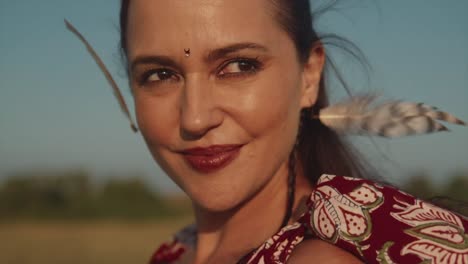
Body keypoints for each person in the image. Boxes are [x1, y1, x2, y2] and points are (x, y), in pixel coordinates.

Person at [68, 0, 467, 263]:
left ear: (308, 76)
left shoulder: (318, 257)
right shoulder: (177, 251)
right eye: (160, 74)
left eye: (238, 66)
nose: (194, 118)